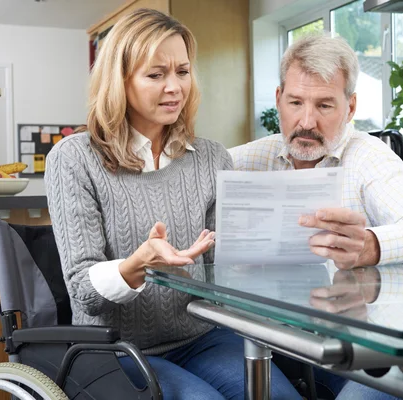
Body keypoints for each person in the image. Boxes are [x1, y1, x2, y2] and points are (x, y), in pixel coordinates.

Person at [44, 8, 301, 400]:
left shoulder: (212, 157)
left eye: (182, 71)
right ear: (120, 80)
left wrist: (277, 243)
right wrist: (138, 264)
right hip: (114, 348)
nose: (174, 87)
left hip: (202, 336)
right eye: (156, 74)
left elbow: (225, 270)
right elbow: (83, 292)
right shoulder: (74, 158)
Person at [229, 32, 403, 399]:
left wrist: (372, 244)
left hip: (358, 347)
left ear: (351, 108)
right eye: (295, 102)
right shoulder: (244, 161)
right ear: (278, 99)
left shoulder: (367, 157)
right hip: (272, 341)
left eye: (325, 106)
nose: (306, 121)